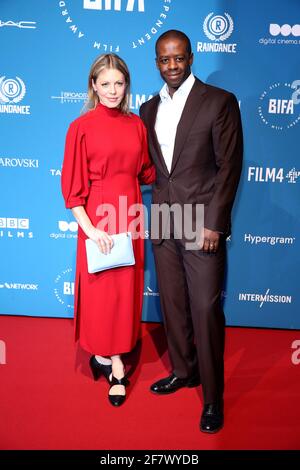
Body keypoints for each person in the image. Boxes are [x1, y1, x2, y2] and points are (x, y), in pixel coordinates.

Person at [140, 30, 243, 432]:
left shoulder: (218, 101)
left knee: (204, 309)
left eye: (179, 58)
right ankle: (184, 371)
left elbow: (230, 166)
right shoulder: (149, 109)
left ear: (191, 57)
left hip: (202, 225)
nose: (172, 66)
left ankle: (213, 398)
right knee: (175, 305)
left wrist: (216, 222)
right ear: (157, 62)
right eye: (164, 60)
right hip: (164, 222)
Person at [61, 53, 155, 407]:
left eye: (119, 83)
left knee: (124, 292)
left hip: (130, 217)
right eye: (106, 83)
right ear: (93, 86)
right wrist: (91, 230)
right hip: (97, 221)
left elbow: (147, 172)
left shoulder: (136, 126)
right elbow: (71, 191)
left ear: (126, 85)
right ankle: (115, 365)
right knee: (102, 294)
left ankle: (110, 353)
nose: (113, 90)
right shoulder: (80, 127)